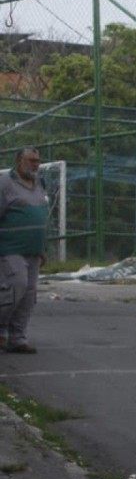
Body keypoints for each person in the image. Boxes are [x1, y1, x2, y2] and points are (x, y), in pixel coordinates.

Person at [0, 148, 49, 354]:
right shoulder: (4, 183)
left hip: (33, 250)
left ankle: (17, 338)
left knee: (29, 294)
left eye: (38, 161)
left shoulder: (39, 184)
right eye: (31, 160)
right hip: (10, 248)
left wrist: (42, 248)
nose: (35, 164)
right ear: (19, 161)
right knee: (16, 286)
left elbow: (41, 217)